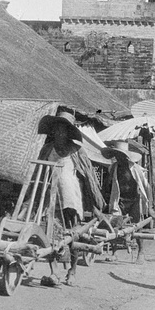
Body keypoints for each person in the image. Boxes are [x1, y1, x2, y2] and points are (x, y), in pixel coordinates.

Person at [37, 110, 106, 284]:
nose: (60, 133)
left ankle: (72, 271)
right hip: (50, 199)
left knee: (73, 234)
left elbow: (89, 178)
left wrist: (93, 202)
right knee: (49, 234)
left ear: (69, 132)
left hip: (71, 199)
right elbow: (38, 173)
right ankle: (54, 272)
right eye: (57, 129)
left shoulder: (77, 151)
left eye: (63, 130)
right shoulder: (47, 149)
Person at [101, 140, 152, 223]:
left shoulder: (135, 169)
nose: (118, 158)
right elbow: (106, 186)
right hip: (118, 201)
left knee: (135, 225)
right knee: (116, 224)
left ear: (125, 156)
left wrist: (150, 208)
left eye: (120, 155)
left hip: (134, 201)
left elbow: (147, 188)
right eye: (116, 155)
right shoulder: (113, 168)